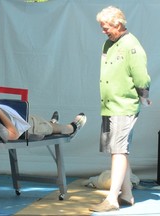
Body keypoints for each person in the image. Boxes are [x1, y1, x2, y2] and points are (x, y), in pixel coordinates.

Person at [89, 6, 151, 212]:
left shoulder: (131, 45)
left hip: (124, 105)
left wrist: (144, 95)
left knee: (119, 150)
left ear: (118, 24)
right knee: (118, 151)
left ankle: (112, 199)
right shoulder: (109, 43)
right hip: (109, 105)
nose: (103, 30)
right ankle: (127, 195)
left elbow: (141, 75)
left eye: (105, 26)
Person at [0, 102, 87, 141]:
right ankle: (72, 129)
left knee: (41, 121)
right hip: (27, 129)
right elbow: (13, 135)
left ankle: (51, 122)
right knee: (53, 128)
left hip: (17, 117)